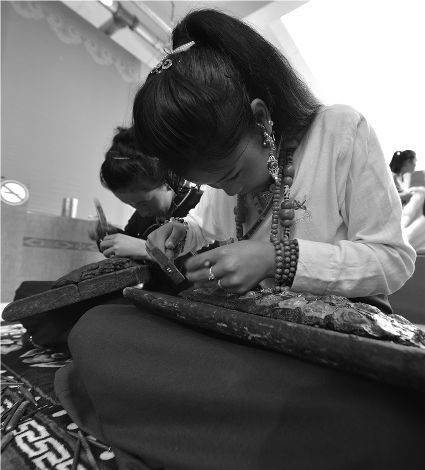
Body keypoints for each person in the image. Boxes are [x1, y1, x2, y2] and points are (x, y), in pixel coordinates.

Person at [55, 10, 424, 470]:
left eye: (230, 174)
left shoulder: (340, 131)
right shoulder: (227, 176)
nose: (228, 191)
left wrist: (278, 258)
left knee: (374, 417)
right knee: (100, 329)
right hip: (248, 334)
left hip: (329, 345)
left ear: (261, 117)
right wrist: (182, 233)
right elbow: (216, 235)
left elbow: (392, 260)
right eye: (213, 183)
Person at [94, 126, 203, 260]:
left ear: (168, 180)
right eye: (131, 205)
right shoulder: (140, 218)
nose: (142, 213)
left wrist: (147, 250)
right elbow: (131, 243)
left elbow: (207, 262)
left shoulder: (200, 209)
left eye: (143, 203)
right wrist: (113, 237)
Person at [390, 149, 425, 250]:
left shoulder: (404, 177)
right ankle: (404, 228)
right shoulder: (391, 176)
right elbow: (386, 196)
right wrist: (404, 195)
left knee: (420, 191)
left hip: (404, 211)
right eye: (415, 160)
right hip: (395, 214)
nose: (416, 163)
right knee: (420, 193)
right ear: (408, 161)